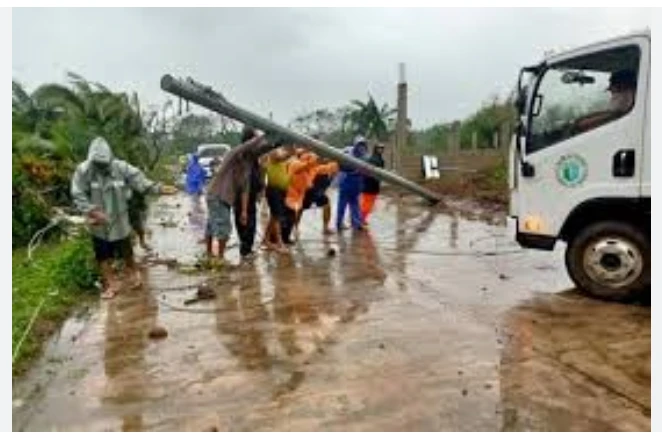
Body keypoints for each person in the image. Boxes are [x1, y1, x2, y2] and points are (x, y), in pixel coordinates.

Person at [71, 136, 177, 299]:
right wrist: (91, 210)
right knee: (103, 256)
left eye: (104, 163)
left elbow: (140, 181)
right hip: (99, 224)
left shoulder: (121, 168)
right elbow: (77, 193)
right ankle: (110, 284)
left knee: (127, 252)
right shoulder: (83, 171)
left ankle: (133, 273)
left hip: (120, 221)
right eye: (97, 163)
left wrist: (159, 188)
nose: (101, 166)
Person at [205, 129, 266, 266]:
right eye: (254, 142)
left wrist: (244, 212)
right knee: (223, 227)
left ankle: (209, 254)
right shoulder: (233, 155)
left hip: (225, 198)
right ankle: (219, 257)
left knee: (212, 225)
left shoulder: (247, 163)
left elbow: (245, 189)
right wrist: (263, 136)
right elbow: (246, 146)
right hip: (217, 194)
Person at [232, 127, 265, 262]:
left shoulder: (252, 154)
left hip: (249, 192)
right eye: (255, 138)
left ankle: (246, 249)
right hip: (243, 192)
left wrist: (261, 189)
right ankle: (245, 251)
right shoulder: (244, 153)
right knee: (245, 219)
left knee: (248, 220)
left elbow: (258, 172)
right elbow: (244, 181)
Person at [263, 141, 294, 253]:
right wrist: (292, 146)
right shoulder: (272, 152)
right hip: (273, 190)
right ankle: (279, 243)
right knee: (277, 217)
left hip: (280, 190)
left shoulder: (281, 151)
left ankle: (266, 240)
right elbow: (282, 157)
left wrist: (292, 148)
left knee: (274, 216)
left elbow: (287, 155)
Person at [336, 136, 368, 232]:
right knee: (342, 204)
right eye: (359, 145)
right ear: (355, 145)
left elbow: (367, 170)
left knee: (355, 204)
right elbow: (339, 162)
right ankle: (339, 223)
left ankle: (357, 224)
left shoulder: (365, 156)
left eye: (363, 145)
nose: (361, 147)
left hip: (357, 182)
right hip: (346, 180)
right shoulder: (347, 151)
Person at [299, 158, 338, 236]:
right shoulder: (322, 169)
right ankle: (295, 226)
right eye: (335, 170)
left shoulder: (331, 174)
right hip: (310, 190)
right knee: (301, 208)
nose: (336, 172)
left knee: (327, 204)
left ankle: (325, 228)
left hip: (318, 191)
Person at [360, 143, 385, 225]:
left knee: (368, 204)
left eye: (382, 148)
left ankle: (361, 219)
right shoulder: (373, 159)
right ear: (375, 149)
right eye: (379, 148)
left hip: (373, 185)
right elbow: (368, 173)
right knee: (367, 204)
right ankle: (360, 220)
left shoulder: (379, 159)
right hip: (369, 185)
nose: (381, 150)